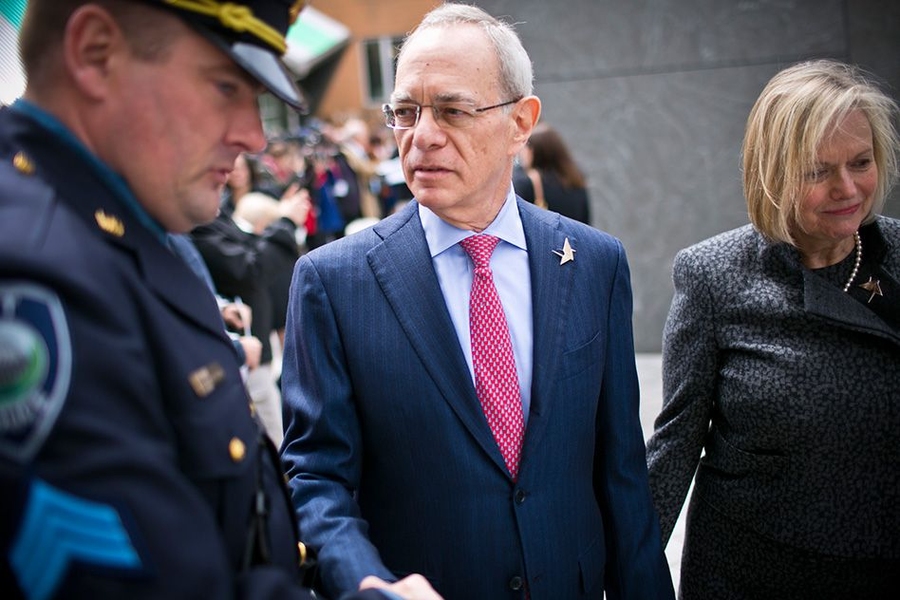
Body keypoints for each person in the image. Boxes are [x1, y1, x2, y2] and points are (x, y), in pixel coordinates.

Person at [0, 1, 441, 599]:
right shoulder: (37, 271)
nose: (254, 135)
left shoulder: (120, 230)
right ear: (96, 52)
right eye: (225, 86)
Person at [280, 4, 674, 600]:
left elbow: (620, 474)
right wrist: (367, 581)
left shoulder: (594, 263)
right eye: (405, 112)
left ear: (521, 122)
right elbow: (315, 478)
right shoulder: (333, 283)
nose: (423, 135)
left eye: (453, 110)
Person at [646, 59, 900, 599]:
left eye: (861, 162)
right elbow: (676, 443)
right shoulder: (713, 275)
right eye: (818, 171)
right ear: (773, 170)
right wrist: (625, 573)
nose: (848, 187)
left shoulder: (896, 255)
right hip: (756, 573)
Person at [192, 153, 310, 446]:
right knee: (274, 439)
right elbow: (249, 268)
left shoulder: (215, 214)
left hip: (253, 336)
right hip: (241, 349)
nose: (229, 173)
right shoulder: (198, 222)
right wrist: (284, 221)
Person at [514, 122, 592, 224]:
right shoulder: (576, 178)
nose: (522, 152)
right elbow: (586, 220)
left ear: (535, 150)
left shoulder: (527, 182)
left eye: (526, 145)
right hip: (573, 238)